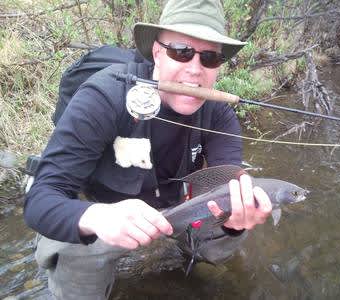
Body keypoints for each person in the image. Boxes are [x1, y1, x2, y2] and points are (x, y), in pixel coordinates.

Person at [24, 0, 273, 299]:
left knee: (226, 224)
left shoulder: (219, 114)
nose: (195, 70)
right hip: (102, 210)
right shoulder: (104, 96)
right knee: (74, 253)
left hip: (175, 208)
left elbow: (226, 189)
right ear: (157, 52)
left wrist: (234, 223)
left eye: (209, 58)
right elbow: (40, 199)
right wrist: (97, 218)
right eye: (181, 52)